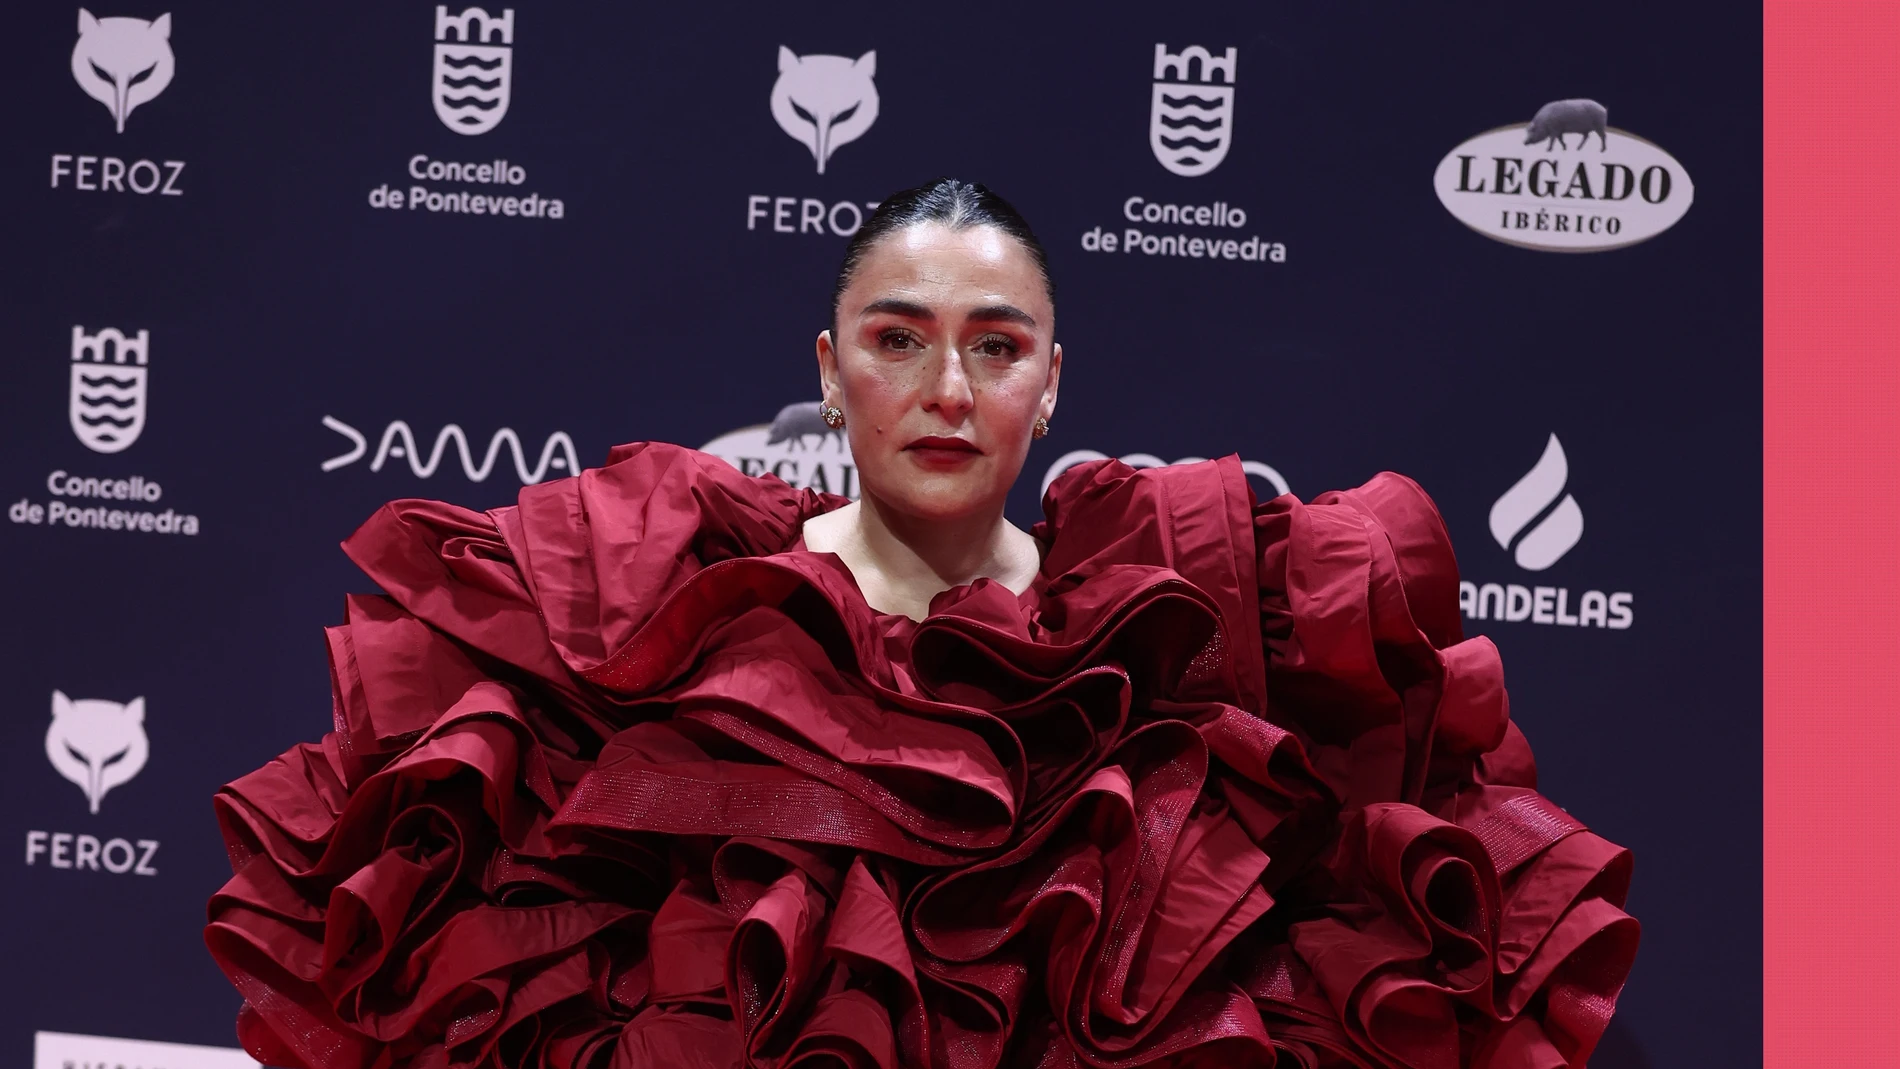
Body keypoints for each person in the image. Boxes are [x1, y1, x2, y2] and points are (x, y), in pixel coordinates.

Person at [205, 178, 1637, 1069]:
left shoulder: (1175, 653)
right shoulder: (649, 619)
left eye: (995, 346)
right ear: (828, 374)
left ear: (1051, 383)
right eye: (898, 339)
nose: (948, 387)